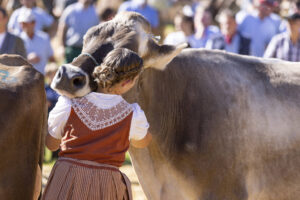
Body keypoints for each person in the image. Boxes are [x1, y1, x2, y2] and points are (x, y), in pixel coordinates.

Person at [42, 48, 152, 200]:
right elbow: (142, 142)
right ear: (128, 82)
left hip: (67, 179)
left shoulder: (69, 103)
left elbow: (51, 145)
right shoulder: (132, 114)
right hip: (106, 185)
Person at [18, 8, 55, 74]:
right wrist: (27, 60)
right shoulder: (17, 40)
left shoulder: (44, 38)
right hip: (23, 79)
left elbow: (51, 58)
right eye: (21, 23)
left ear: (33, 23)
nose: (23, 26)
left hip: (42, 78)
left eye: (26, 23)